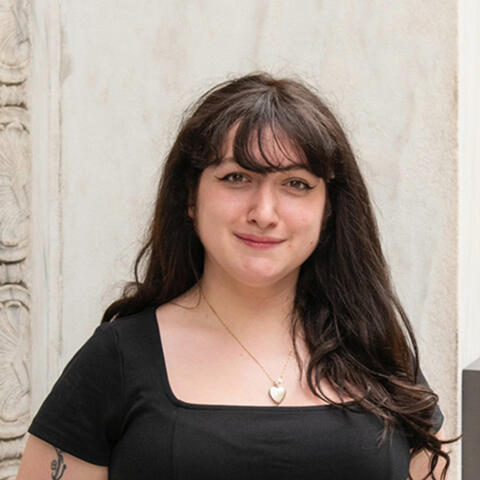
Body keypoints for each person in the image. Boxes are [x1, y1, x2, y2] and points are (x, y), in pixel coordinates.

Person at [17, 72, 458, 480]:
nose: (263, 213)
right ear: (190, 197)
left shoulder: (376, 355)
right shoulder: (116, 360)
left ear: (329, 211)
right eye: (236, 177)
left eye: (296, 184)